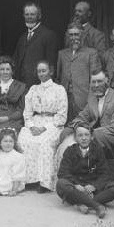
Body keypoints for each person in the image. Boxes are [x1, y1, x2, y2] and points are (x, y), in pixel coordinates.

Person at [56, 124, 114, 218]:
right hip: (76, 188)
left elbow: (105, 173)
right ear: (75, 138)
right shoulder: (70, 151)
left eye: (87, 135)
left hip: (93, 189)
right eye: (80, 135)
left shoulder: (97, 150)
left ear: (92, 137)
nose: (84, 138)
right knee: (61, 184)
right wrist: (76, 185)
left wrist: (94, 186)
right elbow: (63, 173)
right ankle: (96, 206)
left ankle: (81, 204)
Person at [18, 61, 68, 192]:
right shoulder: (33, 89)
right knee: (23, 140)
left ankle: (44, 182)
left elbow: (62, 115)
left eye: (44, 70)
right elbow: (27, 112)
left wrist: (45, 127)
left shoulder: (59, 89)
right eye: (39, 71)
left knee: (44, 142)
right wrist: (31, 126)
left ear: (50, 71)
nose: (41, 74)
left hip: (52, 123)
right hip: (35, 121)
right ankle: (27, 179)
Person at [70, 71, 114, 159]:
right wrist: (77, 129)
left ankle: (85, 168)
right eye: (93, 82)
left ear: (107, 82)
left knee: (95, 136)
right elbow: (80, 118)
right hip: (100, 139)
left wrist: (88, 133)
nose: (96, 85)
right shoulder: (93, 99)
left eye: (99, 81)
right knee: (67, 132)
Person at [57, 22, 101, 119]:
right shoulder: (62, 54)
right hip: (64, 101)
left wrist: (91, 101)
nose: (73, 37)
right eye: (71, 35)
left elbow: (96, 81)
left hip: (83, 100)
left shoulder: (91, 53)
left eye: (76, 34)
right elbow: (58, 79)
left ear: (83, 35)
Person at [12, 2, 57, 87]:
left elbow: (51, 63)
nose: (29, 17)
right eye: (27, 14)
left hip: (39, 85)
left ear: (39, 16)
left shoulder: (48, 35)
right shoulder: (22, 37)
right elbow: (16, 61)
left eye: (32, 14)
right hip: (21, 86)